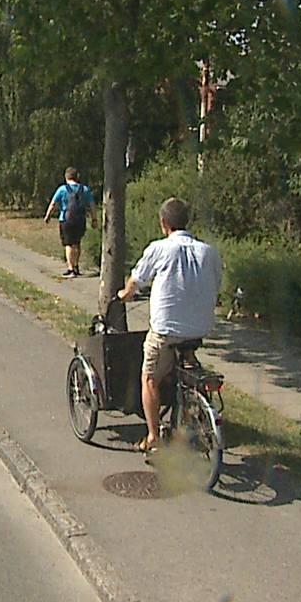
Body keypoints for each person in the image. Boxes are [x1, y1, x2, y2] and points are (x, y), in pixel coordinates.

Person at [117, 197, 222, 453]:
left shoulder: (160, 249)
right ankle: (190, 405)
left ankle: (153, 437)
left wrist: (124, 294)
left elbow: (136, 280)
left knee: (150, 378)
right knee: (185, 365)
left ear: (164, 223)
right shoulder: (209, 252)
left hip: (166, 330)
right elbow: (216, 283)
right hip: (200, 327)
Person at [41, 167, 95, 277]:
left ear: (66, 177)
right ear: (77, 177)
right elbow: (92, 205)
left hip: (66, 220)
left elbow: (53, 203)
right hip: (80, 220)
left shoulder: (62, 189)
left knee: (68, 244)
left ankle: (71, 268)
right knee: (77, 243)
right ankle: (76, 266)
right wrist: (94, 219)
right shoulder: (85, 189)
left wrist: (48, 216)